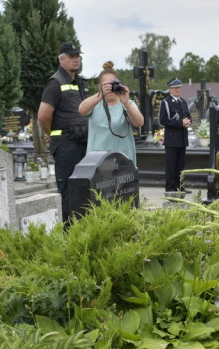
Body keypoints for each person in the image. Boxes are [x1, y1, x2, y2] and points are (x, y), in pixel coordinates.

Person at [38, 42, 88, 218]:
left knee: (83, 189)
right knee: (68, 191)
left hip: (82, 142)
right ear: (62, 59)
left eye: (77, 56)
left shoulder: (79, 82)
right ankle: (68, 233)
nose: (76, 59)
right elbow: (43, 115)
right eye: (71, 56)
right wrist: (51, 132)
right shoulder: (55, 82)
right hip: (67, 145)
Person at [77, 61, 143, 168]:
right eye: (106, 85)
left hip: (123, 163)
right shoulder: (95, 104)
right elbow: (81, 110)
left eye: (112, 84)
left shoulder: (127, 104)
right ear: (100, 86)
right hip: (97, 164)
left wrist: (126, 103)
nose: (110, 88)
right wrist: (100, 95)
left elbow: (139, 122)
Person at [157, 78, 190, 193]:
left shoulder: (183, 102)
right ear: (170, 89)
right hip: (172, 139)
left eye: (179, 87)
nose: (178, 90)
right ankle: (170, 187)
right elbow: (163, 120)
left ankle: (180, 186)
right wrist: (180, 123)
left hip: (182, 138)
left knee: (181, 165)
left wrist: (187, 121)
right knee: (171, 166)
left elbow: (188, 116)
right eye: (175, 88)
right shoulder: (166, 102)